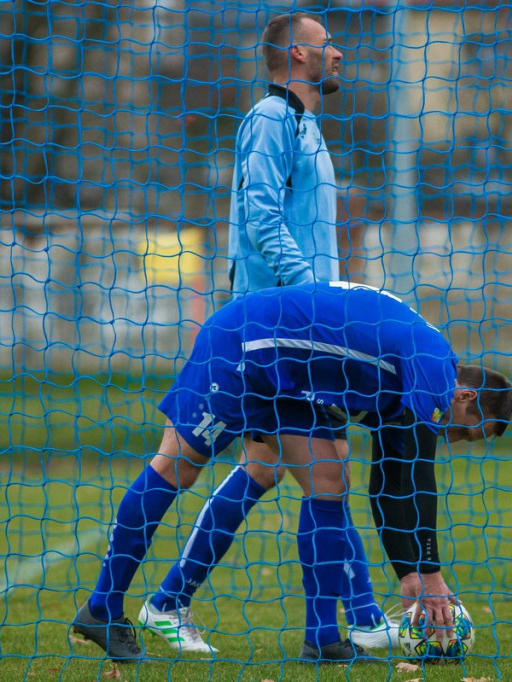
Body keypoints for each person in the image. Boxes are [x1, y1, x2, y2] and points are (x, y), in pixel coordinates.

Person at [71, 281, 512, 663]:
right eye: (469, 433)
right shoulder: (433, 368)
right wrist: (431, 575)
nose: (456, 441)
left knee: (330, 480)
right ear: (463, 397)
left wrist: (411, 573)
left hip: (288, 375)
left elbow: (389, 483)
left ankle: (321, 640)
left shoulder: (414, 377)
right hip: (245, 344)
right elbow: (420, 474)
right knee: (178, 467)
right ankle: (103, 609)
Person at [140, 12, 399, 655]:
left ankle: (170, 600)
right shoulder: (270, 118)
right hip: (276, 328)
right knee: (318, 469)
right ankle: (356, 621)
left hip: (299, 325)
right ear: (295, 54)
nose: (337, 54)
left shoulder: (305, 125)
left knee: (273, 468)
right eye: (326, 45)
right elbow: (258, 212)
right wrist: (308, 289)